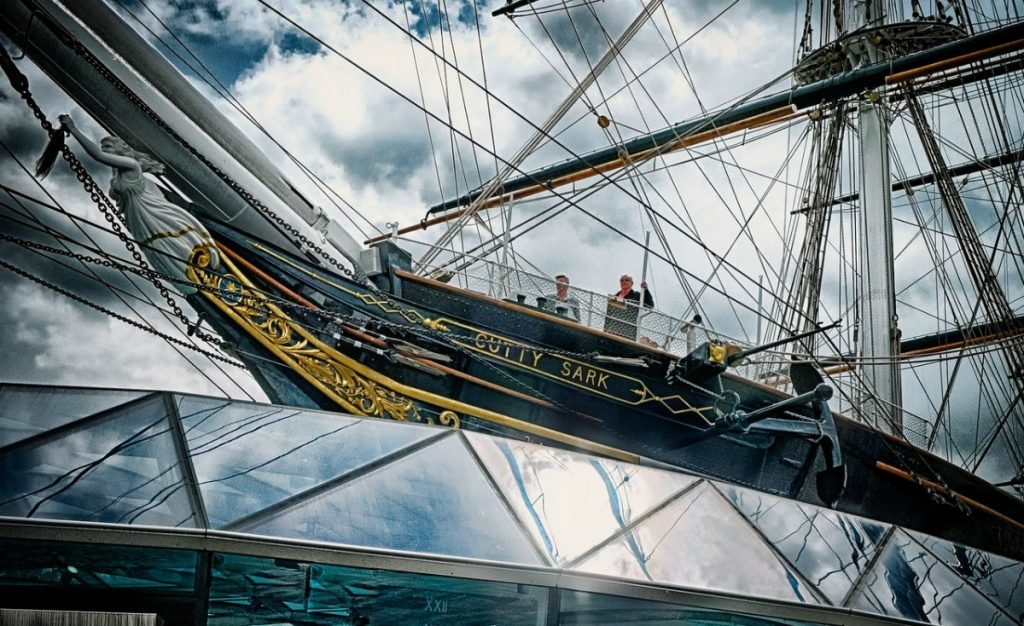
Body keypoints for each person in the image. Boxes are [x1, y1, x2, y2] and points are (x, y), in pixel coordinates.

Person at [59, 114, 219, 292]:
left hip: (153, 214)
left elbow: (97, 156)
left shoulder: (131, 165)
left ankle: (206, 281)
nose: (103, 149)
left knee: (173, 247)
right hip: (140, 223)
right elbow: (108, 165)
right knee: (162, 256)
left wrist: (74, 129)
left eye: (107, 146)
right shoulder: (116, 176)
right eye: (103, 146)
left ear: (119, 149)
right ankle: (197, 287)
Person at [604, 274, 654, 339]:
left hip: (628, 330)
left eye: (627, 280)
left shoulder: (637, 296)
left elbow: (650, 305)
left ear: (631, 283)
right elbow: (608, 314)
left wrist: (646, 290)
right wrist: (605, 329)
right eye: (621, 280)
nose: (624, 282)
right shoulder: (615, 297)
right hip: (613, 329)